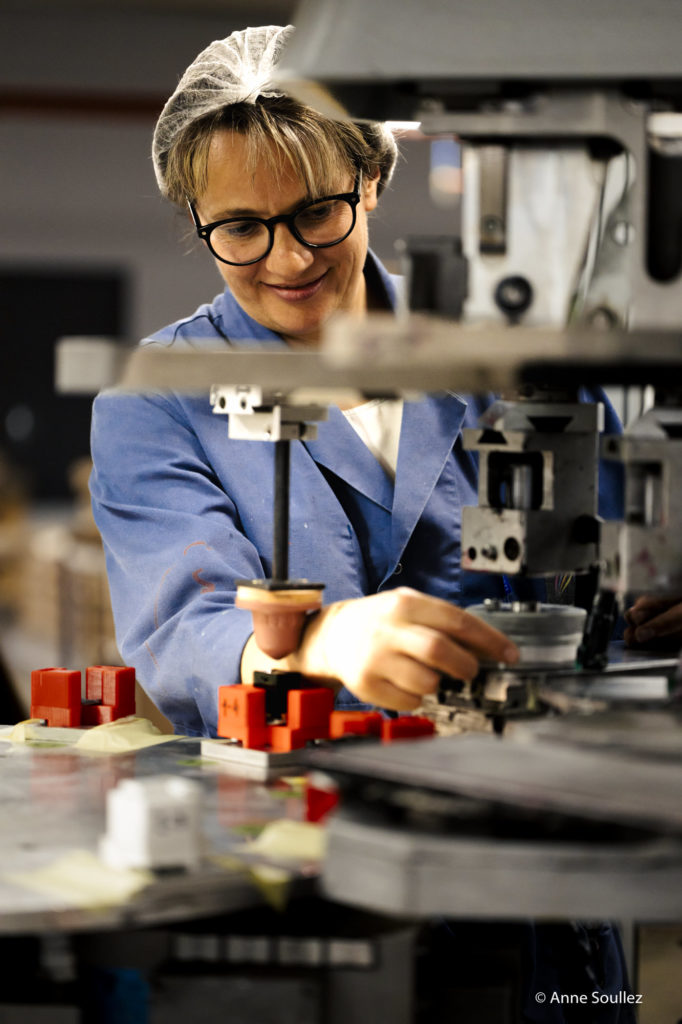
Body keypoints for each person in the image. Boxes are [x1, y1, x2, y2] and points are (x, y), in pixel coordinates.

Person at [89, 24, 635, 1021]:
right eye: (242, 227)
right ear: (194, 216)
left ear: (371, 175)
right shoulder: (153, 399)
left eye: (317, 213)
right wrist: (314, 642)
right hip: (305, 867)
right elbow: (179, 629)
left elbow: (605, 558)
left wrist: (641, 604)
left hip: (531, 855)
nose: (287, 257)